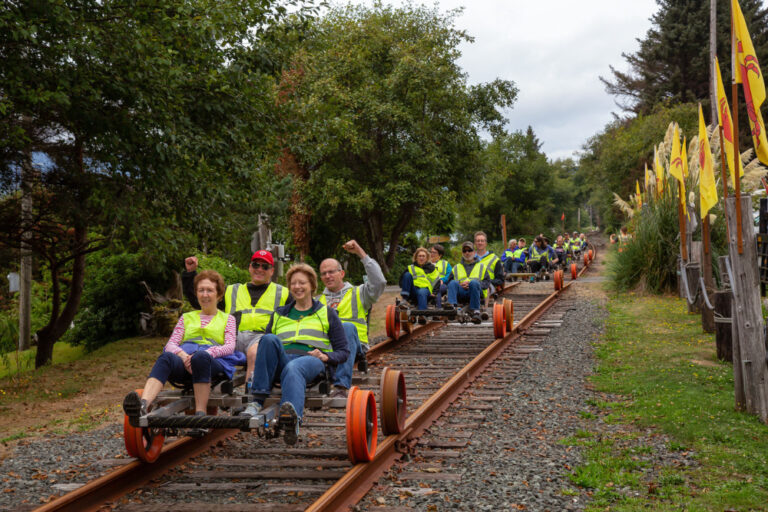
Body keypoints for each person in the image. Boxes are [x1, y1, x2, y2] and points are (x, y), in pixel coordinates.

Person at [241, 263, 349, 445]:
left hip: (310, 360)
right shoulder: (279, 314)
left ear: (312, 286)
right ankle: (257, 401)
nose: (297, 287)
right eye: (293, 283)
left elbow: (343, 351)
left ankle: (293, 421)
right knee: (267, 340)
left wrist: (326, 357)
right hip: (283, 359)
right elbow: (268, 348)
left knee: (294, 367)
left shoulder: (326, 313)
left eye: (302, 283)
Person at [124, 270, 237, 419]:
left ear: (219, 295)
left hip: (212, 363)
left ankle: (200, 414)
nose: (205, 294)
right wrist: (184, 356)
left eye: (209, 290)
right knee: (166, 358)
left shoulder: (228, 319)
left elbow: (229, 346)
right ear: (196, 294)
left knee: (200, 358)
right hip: (186, 361)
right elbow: (170, 345)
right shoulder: (186, 318)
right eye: (201, 290)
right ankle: (143, 405)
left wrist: (208, 353)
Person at [183, 250, 289, 394]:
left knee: (254, 352)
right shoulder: (232, 290)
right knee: (202, 348)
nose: (259, 269)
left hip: (261, 339)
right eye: (256, 265)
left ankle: (250, 398)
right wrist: (190, 274)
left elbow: (302, 310)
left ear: (272, 271)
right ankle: (202, 390)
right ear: (250, 267)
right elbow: (201, 301)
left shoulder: (283, 293)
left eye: (265, 266)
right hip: (232, 338)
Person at [317, 240, 386, 397]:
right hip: (325, 348)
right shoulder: (317, 301)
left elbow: (379, 282)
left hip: (353, 346)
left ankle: (341, 386)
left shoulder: (359, 293)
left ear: (341, 273)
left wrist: (361, 253)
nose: (327, 276)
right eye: (324, 273)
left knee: (346, 327)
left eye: (331, 272)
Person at [446, 241, 490, 324]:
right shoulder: (456, 267)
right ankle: (452, 308)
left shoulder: (482, 266)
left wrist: (472, 284)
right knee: (452, 283)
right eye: (465, 251)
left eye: (469, 250)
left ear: (474, 252)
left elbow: (487, 283)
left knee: (474, 283)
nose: (467, 253)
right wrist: (460, 284)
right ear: (462, 253)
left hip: (476, 293)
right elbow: (449, 283)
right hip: (461, 293)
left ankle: (476, 312)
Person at [400, 247, 441, 318]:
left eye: (423, 256)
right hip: (413, 291)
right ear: (416, 257)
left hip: (425, 291)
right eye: (419, 256)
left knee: (422, 292)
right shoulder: (410, 268)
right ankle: (405, 300)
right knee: (407, 275)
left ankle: (422, 315)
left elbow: (437, 281)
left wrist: (434, 293)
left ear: (427, 258)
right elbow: (401, 280)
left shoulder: (431, 268)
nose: (421, 258)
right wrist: (406, 287)